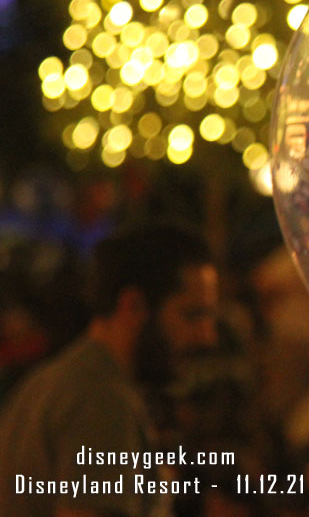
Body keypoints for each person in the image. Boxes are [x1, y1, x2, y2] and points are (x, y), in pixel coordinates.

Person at [0, 221, 218, 517]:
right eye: (193, 315)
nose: (208, 336)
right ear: (133, 305)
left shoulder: (58, 379)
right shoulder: (101, 400)